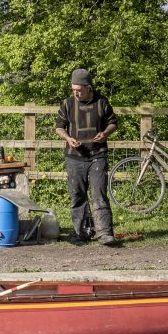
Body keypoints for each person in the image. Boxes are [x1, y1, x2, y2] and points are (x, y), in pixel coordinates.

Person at [54, 68, 118, 246]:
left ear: (89, 88)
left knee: (99, 193)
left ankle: (104, 233)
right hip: (74, 156)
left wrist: (105, 134)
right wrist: (67, 138)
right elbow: (59, 127)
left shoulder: (102, 102)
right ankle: (81, 232)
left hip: (98, 155)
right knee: (77, 195)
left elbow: (113, 123)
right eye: (73, 89)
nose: (76, 93)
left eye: (79, 90)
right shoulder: (67, 104)